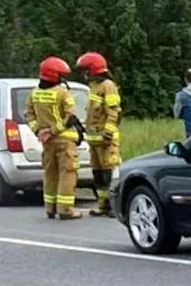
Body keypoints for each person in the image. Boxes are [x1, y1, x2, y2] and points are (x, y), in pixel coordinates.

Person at [25, 57, 82, 220]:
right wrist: (53, 130)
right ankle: (66, 210)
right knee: (67, 173)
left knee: (50, 174)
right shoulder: (62, 92)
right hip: (64, 140)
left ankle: (50, 208)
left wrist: (39, 132)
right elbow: (71, 117)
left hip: (47, 142)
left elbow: (29, 115)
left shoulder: (34, 93)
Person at [75, 52, 121, 217]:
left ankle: (115, 207)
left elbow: (113, 111)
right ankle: (103, 205)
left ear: (95, 69)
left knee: (110, 174)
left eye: (86, 70)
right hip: (94, 141)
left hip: (106, 140)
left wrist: (108, 132)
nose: (84, 73)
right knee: (99, 175)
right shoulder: (94, 86)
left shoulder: (108, 86)